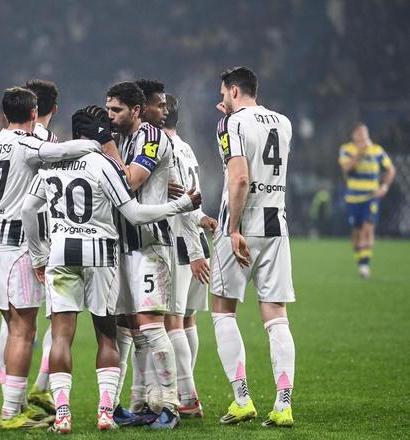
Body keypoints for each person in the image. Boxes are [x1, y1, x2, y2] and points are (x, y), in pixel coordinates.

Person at [21, 106, 202, 433]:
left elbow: (28, 209)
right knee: (107, 334)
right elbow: (133, 213)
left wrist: (38, 255)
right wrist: (181, 205)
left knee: (61, 336)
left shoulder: (50, 164)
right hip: (100, 253)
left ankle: (62, 416)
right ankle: (105, 413)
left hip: (61, 252)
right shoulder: (103, 164)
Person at [0, 87, 114, 430]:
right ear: (34, 114)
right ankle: (12, 412)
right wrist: (96, 143)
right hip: (15, 243)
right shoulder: (27, 143)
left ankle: (18, 402)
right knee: (24, 330)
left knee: (12, 326)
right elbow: (61, 150)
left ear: (4, 113)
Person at [211, 67, 296, 427]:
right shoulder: (283, 122)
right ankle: (283, 404)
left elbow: (240, 178)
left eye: (224, 93)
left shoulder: (231, 124)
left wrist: (233, 229)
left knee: (223, 310)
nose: (222, 99)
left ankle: (242, 399)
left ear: (233, 91)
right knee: (275, 315)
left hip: (242, 224)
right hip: (276, 223)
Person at [103, 81, 181, 429]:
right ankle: (134, 403)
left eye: (116, 110)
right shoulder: (119, 139)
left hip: (150, 243)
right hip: (121, 244)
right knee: (127, 326)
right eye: (108, 109)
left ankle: (170, 405)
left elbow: (130, 181)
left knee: (150, 324)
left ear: (135, 111)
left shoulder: (150, 136)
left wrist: (104, 150)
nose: (110, 116)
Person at [161, 92, 218, 418]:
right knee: (187, 320)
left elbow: (182, 202)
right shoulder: (186, 147)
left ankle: (187, 395)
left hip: (181, 243)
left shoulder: (164, 149)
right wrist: (203, 219)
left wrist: (194, 251)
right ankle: (187, 390)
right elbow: (194, 197)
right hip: (196, 238)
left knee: (171, 321)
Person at [338, 122, 395, 279]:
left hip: (372, 197)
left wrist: (384, 187)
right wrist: (360, 153)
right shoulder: (347, 149)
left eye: (366, 134)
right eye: (361, 134)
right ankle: (361, 261)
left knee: (368, 228)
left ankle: (364, 266)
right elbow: (346, 168)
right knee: (356, 232)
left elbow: (390, 169)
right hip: (353, 198)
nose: (364, 138)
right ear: (354, 136)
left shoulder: (377, 150)